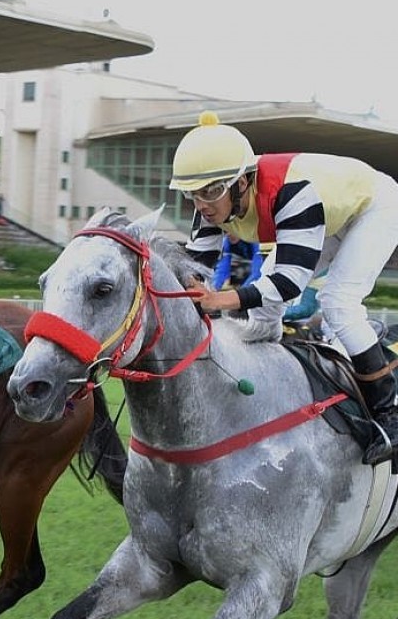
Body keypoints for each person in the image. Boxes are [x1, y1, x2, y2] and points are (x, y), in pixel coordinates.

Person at [170, 110, 398, 465]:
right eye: (192, 194)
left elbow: (288, 284)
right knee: (262, 313)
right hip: (329, 214)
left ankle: (390, 417)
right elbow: (194, 270)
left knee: (338, 302)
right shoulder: (210, 205)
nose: (202, 204)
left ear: (242, 182)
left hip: (374, 207)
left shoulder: (292, 193)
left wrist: (218, 300)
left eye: (212, 192)